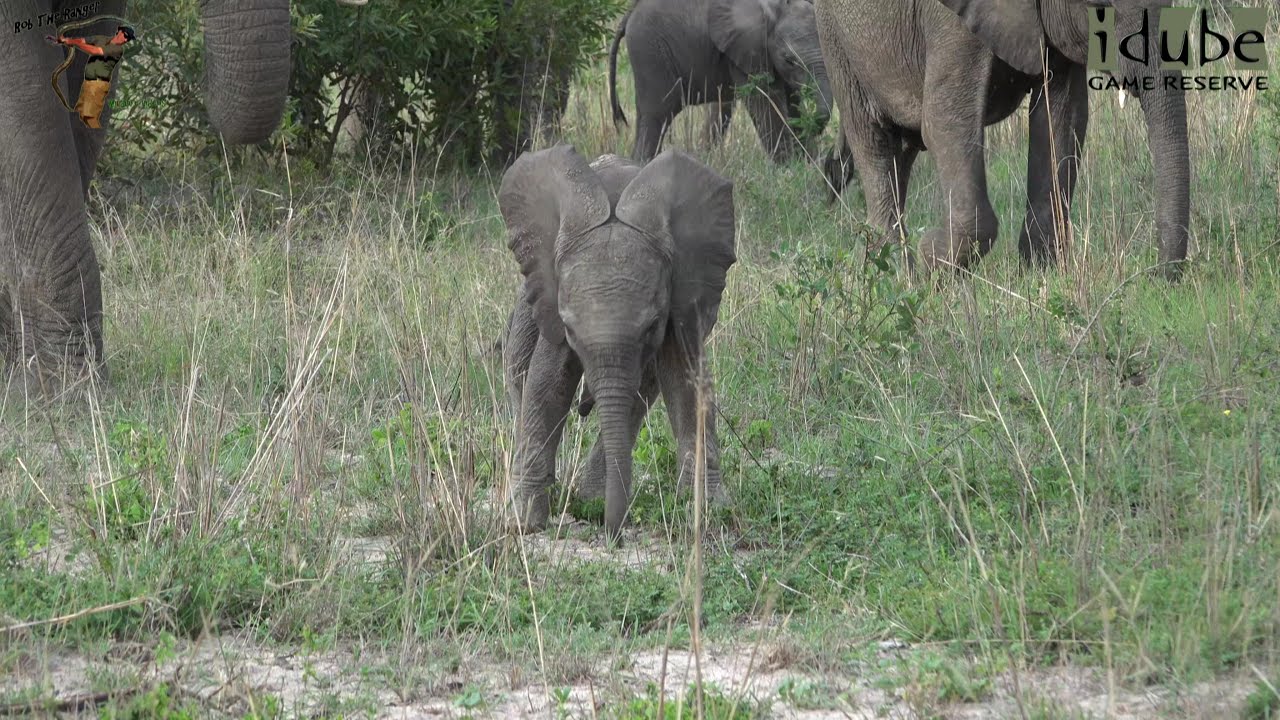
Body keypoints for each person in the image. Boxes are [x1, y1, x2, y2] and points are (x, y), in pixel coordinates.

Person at [45, 25, 136, 129]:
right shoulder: (101, 39)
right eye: (125, 35)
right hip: (88, 83)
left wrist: (72, 42)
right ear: (119, 31)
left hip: (98, 85)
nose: (125, 40)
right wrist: (66, 40)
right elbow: (83, 40)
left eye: (128, 39)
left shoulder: (117, 50)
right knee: (79, 113)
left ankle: (95, 134)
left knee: (89, 118)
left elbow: (96, 51)